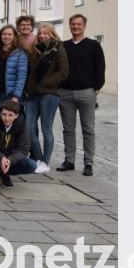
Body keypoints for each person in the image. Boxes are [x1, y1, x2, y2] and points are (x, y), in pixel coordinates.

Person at [57, 14, 105, 177]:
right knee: (68, 129)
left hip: (86, 92)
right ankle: (69, 160)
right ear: (69, 26)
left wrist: (95, 88)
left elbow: (100, 68)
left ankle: (88, 163)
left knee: (88, 129)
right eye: (73, 24)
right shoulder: (63, 46)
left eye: (79, 24)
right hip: (65, 93)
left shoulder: (93, 45)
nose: (76, 27)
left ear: (84, 26)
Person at [25, 23, 69, 173]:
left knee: (46, 128)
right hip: (33, 94)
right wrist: (29, 89)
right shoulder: (35, 49)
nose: (42, 36)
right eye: (40, 33)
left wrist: (45, 83)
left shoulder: (58, 49)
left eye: (46, 33)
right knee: (28, 127)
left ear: (52, 34)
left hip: (49, 94)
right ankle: (38, 158)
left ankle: (45, 162)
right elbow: (31, 72)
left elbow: (63, 72)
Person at [0, 25, 28, 112]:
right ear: (0, 36)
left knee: (9, 121)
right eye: (4, 34)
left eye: (9, 34)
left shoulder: (20, 53)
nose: (6, 36)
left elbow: (21, 77)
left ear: (14, 36)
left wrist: (16, 96)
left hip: (11, 96)